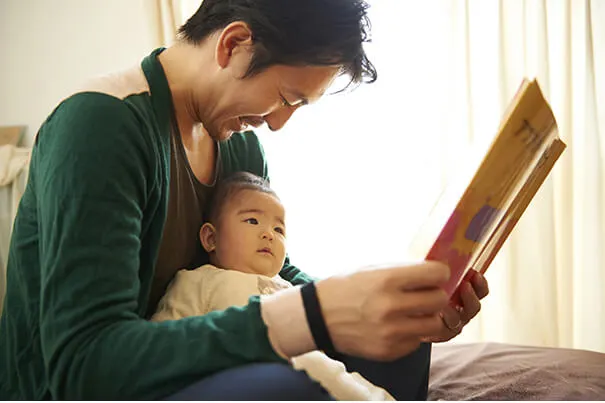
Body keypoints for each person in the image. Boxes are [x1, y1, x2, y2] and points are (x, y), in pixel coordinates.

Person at [0, 0, 490, 400]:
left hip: (187, 357)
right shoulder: (100, 126)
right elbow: (84, 366)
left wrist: (389, 311)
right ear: (233, 44)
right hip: (91, 386)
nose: (278, 123)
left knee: (397, 350)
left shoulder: (239, 144)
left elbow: (269, 276)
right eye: (285, 98)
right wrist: (317, 314)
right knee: (291, 387)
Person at [152, 171, 396, 401]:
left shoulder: (290, 288)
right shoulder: (199, 280)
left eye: (279, 229)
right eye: (252, 220)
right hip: (257, 384)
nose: (269, 233)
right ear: (211, 238)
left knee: (352, 382)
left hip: (326, 376)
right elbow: (162, 342)